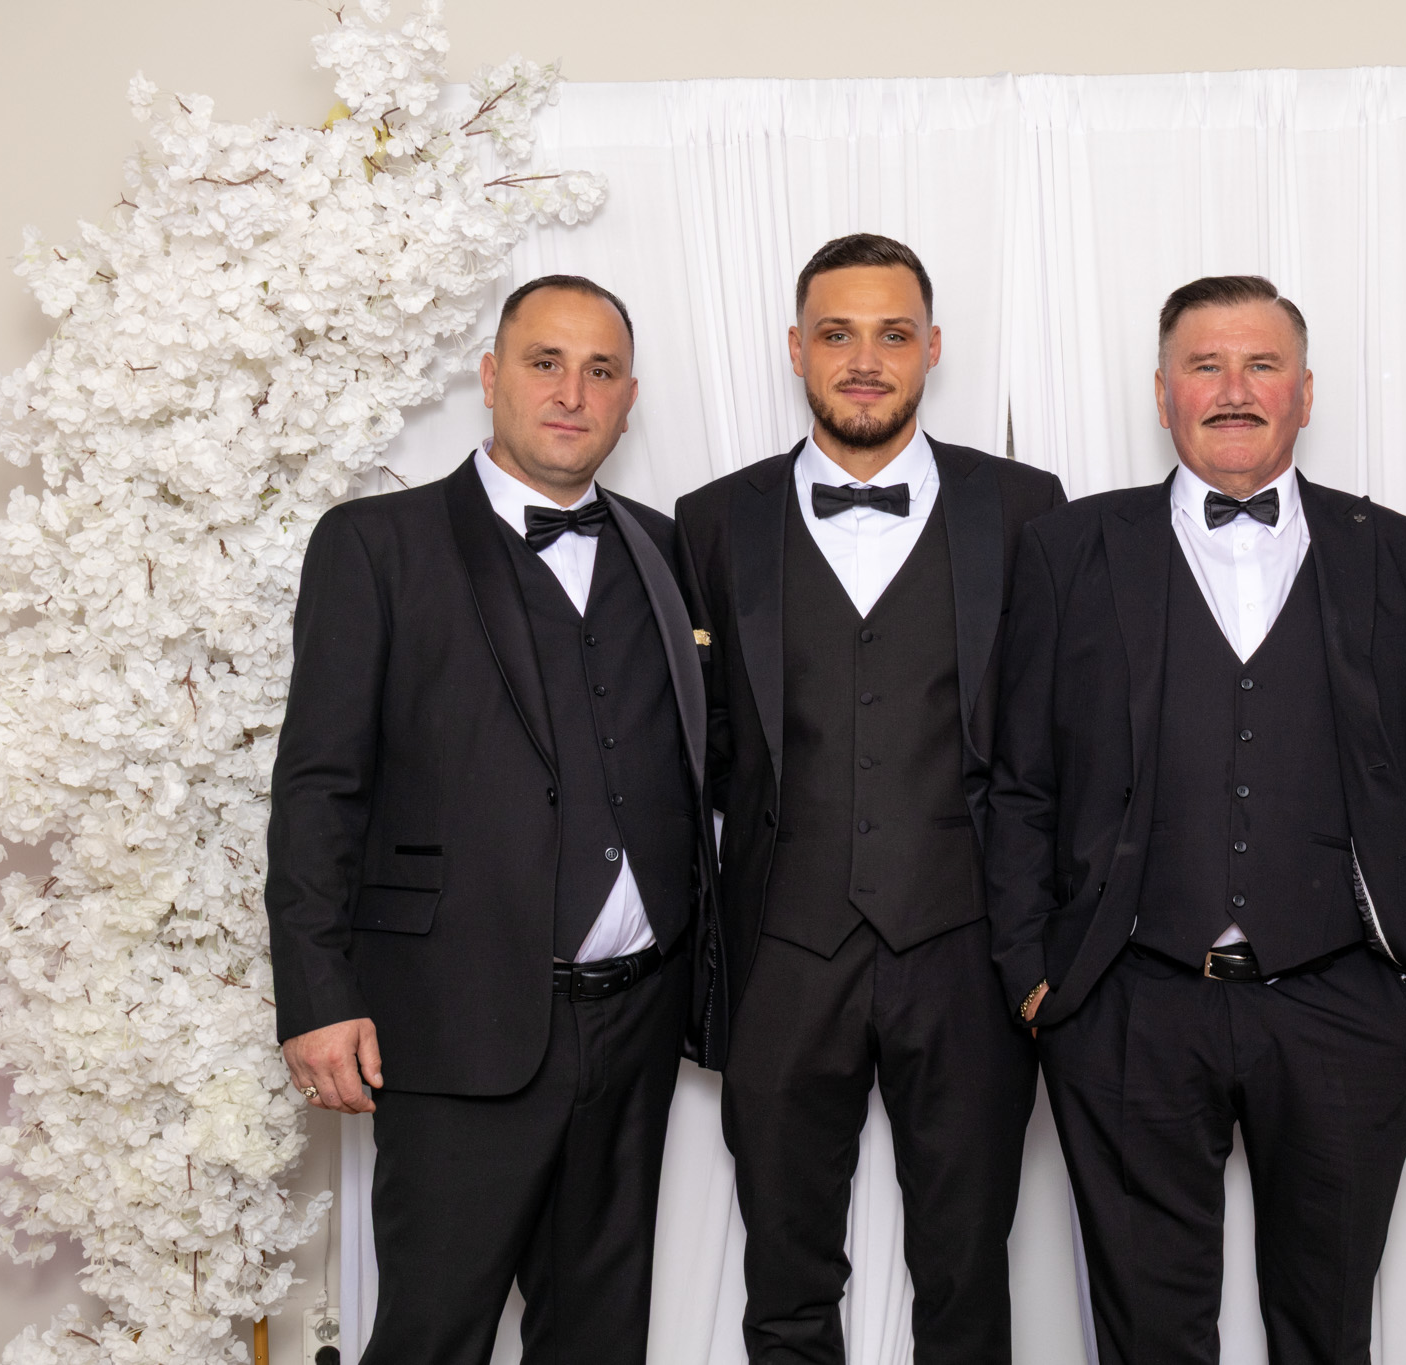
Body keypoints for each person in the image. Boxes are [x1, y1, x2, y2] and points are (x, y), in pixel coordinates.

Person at [986, 274, 1406, 1365]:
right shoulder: (1068, 548)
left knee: (1328, 1328)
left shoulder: (1396, 551)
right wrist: (1032, 971)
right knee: (1148, 1335)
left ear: (1306, 392)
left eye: (1261, 366)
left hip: (1345, 1001)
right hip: (1126, 999)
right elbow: (1020, 779)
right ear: (1162, 393)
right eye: (1204, 366)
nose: (1233, 390)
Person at [265, 275, 718, 1364]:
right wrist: (318, 995)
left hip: (637, 1020)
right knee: (433, 1336)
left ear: (629, 398)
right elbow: (320, 783)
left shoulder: (668, 549)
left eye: (600, 371)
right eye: (544, 362)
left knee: (600, 1338)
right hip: (454, 1019)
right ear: (490, 377)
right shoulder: (375, 543)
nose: (572, 392)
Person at [674, 232, 1063, 1363]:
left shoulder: (1025, 507)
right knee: (785, 1273)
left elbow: (1059, 734)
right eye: (836, 334)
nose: (863, 360)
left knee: (966, 1270)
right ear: (795, 348)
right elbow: (697, 742)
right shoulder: (713, 520)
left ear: (932, 348)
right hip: (782, 953)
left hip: (969, 952)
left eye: (892, 334)